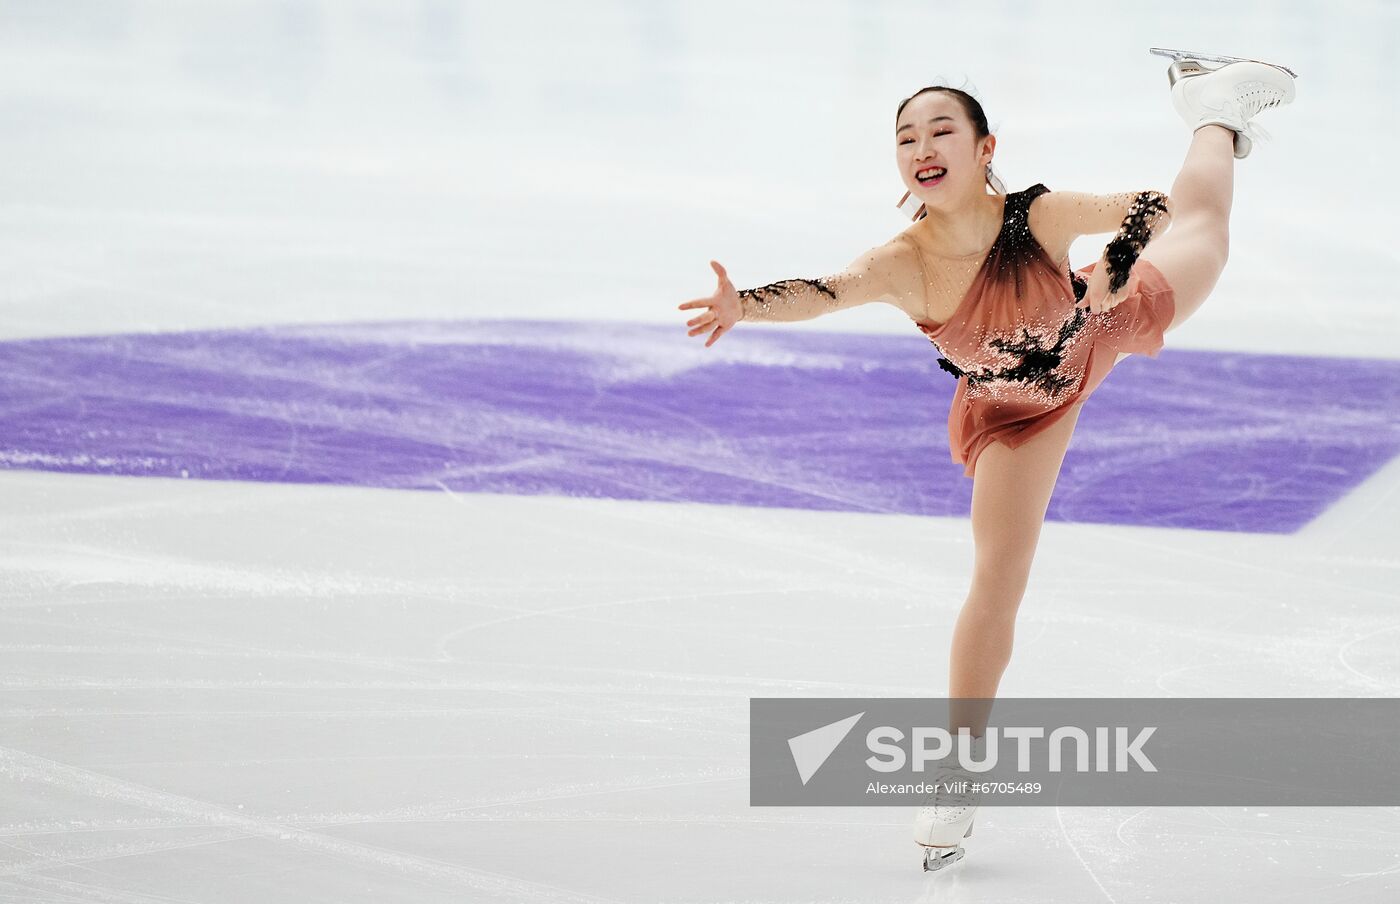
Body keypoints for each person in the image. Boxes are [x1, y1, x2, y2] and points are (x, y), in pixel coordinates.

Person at [677, 54, 1296, 869]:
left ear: (982, 147)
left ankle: (1212, 110)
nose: (921, 145)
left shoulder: (1035, 216)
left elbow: (1151, 205)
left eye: (941, 129)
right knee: (997, 579)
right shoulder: (903, 263)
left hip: (1095, 328)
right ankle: (958, 776)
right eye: (906, 136)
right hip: (1014, 414)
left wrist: (1113, 266)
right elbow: (823, 291)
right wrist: (743, 306)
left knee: (1205, 237)